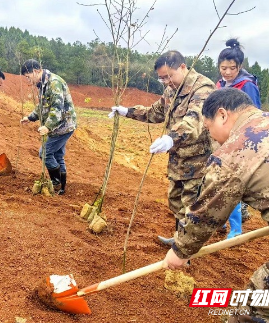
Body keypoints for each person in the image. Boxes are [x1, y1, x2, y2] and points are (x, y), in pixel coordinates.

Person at [162, 87, 269, 322]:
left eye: (209, 129)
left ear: (222, 115)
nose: (212, 137)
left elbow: (207, 212)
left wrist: (180, 250)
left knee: (254, 309)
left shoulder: (236, 151)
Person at [109, 50, 215, 244]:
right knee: (176, 201)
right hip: (177, 159)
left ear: (182, 67)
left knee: (191, 206)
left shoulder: (203, 89)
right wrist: (126, 111)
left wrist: (171, 138)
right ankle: (178, 240)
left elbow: (194, 120)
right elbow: (155, 112)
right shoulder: (171, 90)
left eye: (168, 76)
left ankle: (186, 251)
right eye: (161, 78)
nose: (166, 81)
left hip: (198, 160)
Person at [217, 38, 261, 238]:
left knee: (233, 183)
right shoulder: (219, 84)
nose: (227, 72)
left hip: (242, 141)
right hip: (223, 140)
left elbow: (255, 114)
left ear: (239, 67)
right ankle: (221, 222)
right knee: (219, 181)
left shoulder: (247, 85)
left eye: (232, 68)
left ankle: (236, 228)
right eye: (223, 67)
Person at [20, 59, 77, 195]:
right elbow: (42, 106)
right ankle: (61, 188)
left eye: (28, 77)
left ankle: (56, 183)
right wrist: (30, 117)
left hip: (63, 126)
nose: (28, 80)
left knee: (44, 153)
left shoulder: (54, 83)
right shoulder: (43, 85)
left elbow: (57, 109)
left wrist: (47, 126)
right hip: (58, 126)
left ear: (36, 71)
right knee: (57, 155)